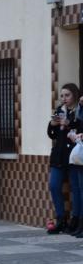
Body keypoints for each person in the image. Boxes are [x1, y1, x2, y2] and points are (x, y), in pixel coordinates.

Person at [47, 83, 80, 234]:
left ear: (74, 95)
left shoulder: (78, 111)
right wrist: (52, 124)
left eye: (67, 95)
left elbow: (79, 128)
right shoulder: (60, 110)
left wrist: (69, 124)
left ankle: (76, 220)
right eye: (62, 95)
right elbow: (52, 135)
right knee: (54, 185)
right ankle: (60, 218)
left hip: (75, 156)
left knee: (76, 188)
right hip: (58, 156)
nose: (64, 98)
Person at [67, 94, 83, 237]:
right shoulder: (78, 109)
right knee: (78, 189)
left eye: (67, 95)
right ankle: (78, 222)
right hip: (78, 156)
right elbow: (77, 124)